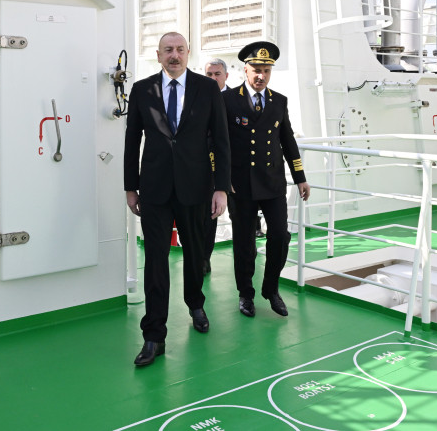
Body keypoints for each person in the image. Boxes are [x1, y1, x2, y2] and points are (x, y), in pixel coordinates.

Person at [124, 32, 230, 367]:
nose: (174, 55)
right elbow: (132, 140)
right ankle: (154, 335)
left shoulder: (207, 88)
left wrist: (221, 188)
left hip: (196, 188)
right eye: (168, 50)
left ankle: (195, 303)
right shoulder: (142, 90)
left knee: (196, 253)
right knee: (155, 262)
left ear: (188, 53)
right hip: (154, 189)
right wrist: (130, 186)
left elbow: (221, 140)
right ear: (158, 55)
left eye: (180, 49)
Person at [224, 41, 310, 319]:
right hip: (240, 184)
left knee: (280, 236)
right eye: (256, 70)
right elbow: (217, 143)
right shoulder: (228, 100)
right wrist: (221, 179)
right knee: (244, 242)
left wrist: (300, 177)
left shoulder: (279, 101)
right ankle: (246, 294)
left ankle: (270, 289)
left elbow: (288, 141)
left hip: (272, 182)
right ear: (245, 70)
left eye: (266, 71)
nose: (261, 76)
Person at [202, 58, 229, 274]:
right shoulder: (197, 98)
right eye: (209, 74)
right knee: (208, 216)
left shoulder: (235, 100)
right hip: (205, 168)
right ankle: (204, 259)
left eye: (217, 74)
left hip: (232, 170)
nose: (213, 78)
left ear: (226, 76)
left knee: (244, 220)